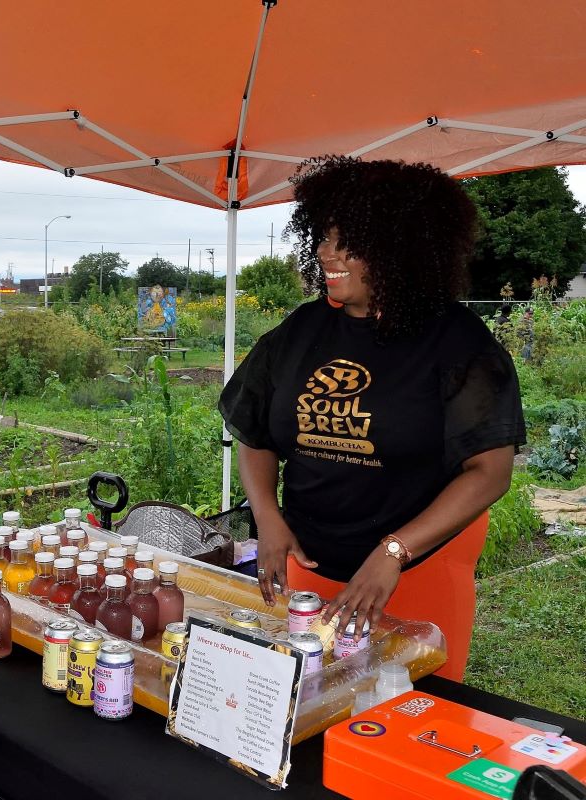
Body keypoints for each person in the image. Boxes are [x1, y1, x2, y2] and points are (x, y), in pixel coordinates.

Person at [219, 157, 525, 681]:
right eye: (324, 237)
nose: (325, 252)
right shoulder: (300, 332)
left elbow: (489, 471)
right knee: (311, 699)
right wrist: (268, 518)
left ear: (398, 251)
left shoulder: (457, 342)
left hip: (415, 569)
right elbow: (255, 432)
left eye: (348, 243)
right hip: (312, 564)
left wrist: (394, 552)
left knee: (410, 712)